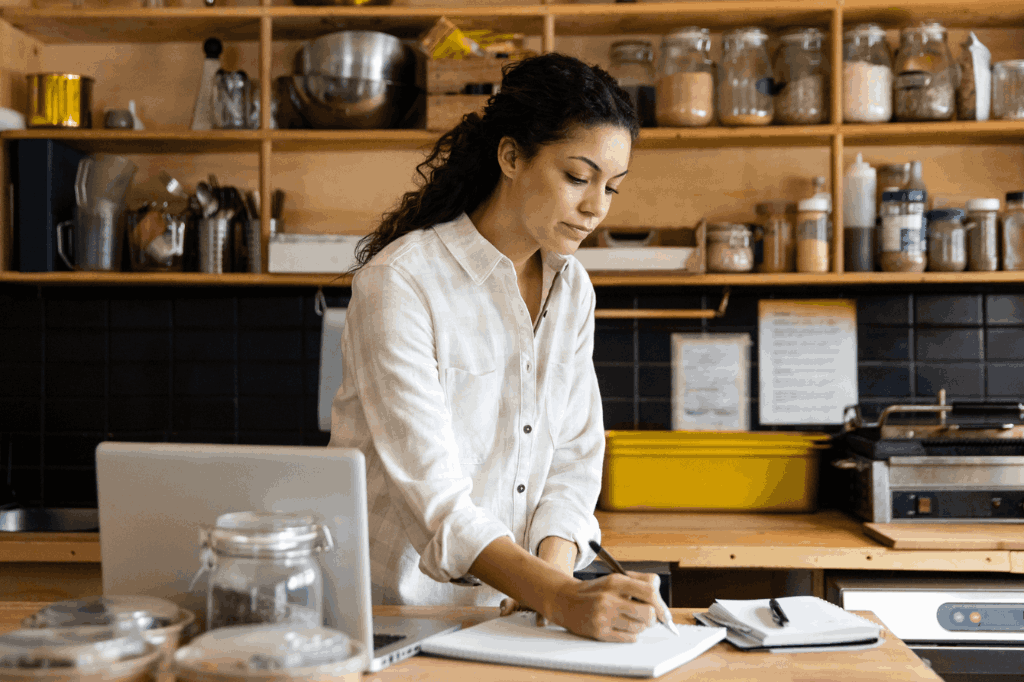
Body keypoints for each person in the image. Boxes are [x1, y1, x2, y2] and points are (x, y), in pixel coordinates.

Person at [329, 53, 663, 643]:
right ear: (511, 156)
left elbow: (574, 458)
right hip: (392, 616)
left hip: (516, 617)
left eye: (611, 186)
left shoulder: (572, 286)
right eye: (577, 177)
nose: (597, 207)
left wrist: (548, 587)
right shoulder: (401, 282)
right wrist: (560, 597)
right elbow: (436, 500)